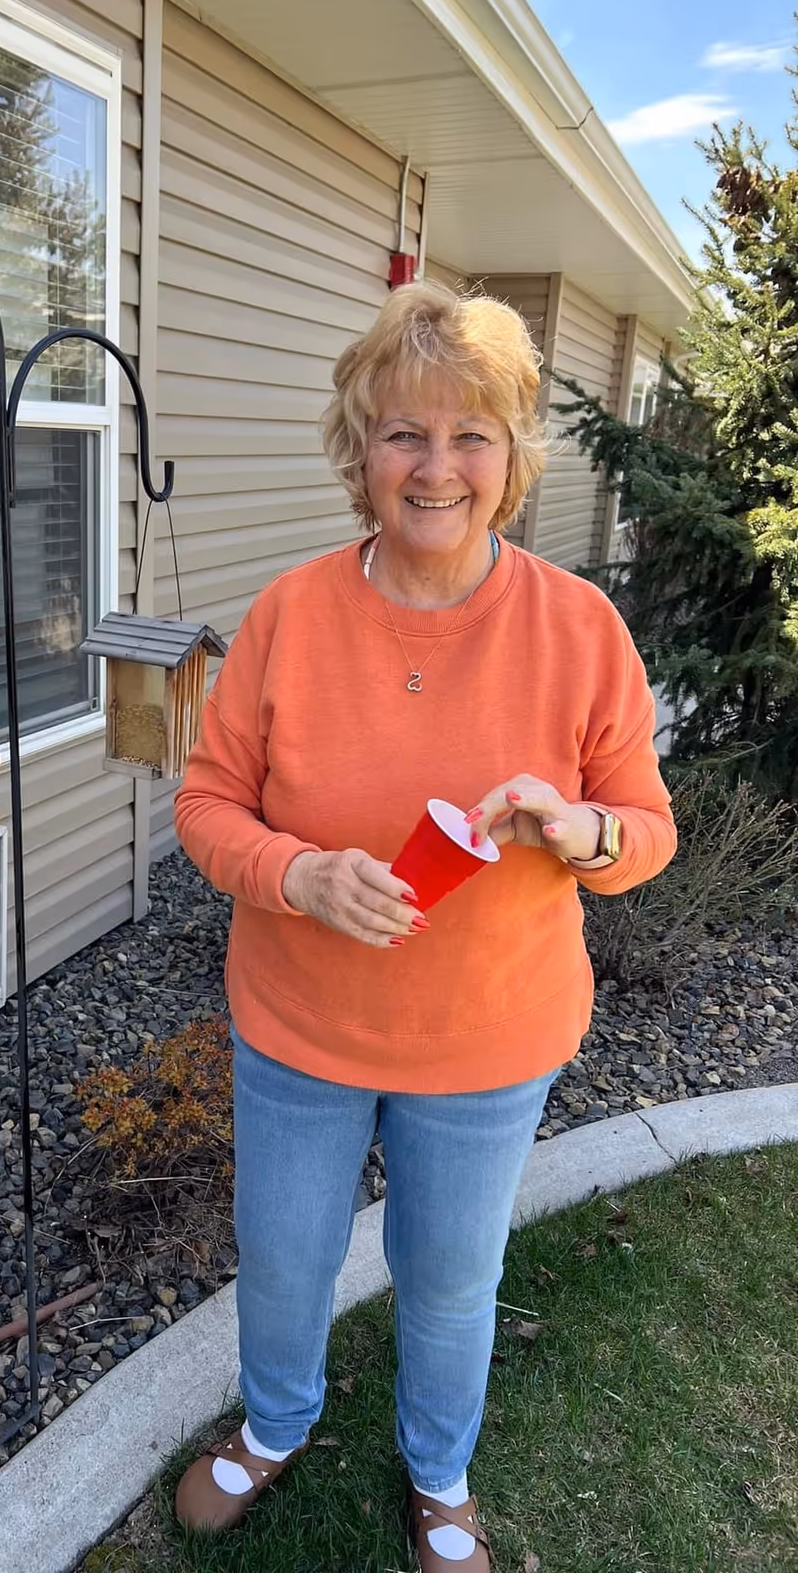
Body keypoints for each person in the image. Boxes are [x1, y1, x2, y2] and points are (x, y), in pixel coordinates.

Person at [171, 280, 677, 1572]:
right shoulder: (290, 614)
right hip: (301, 1026)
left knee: (449, 1280)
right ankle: (277, 1425)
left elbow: (644, 830)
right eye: (404, 432)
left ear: (511, 459)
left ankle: (438, 1472)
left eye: (472, 435)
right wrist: (298, 877)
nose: (436, 466)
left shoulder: (579, 629)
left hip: (488, 1039)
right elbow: (210, 803)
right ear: (361, 450)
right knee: (283, 1261)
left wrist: (583, 831)